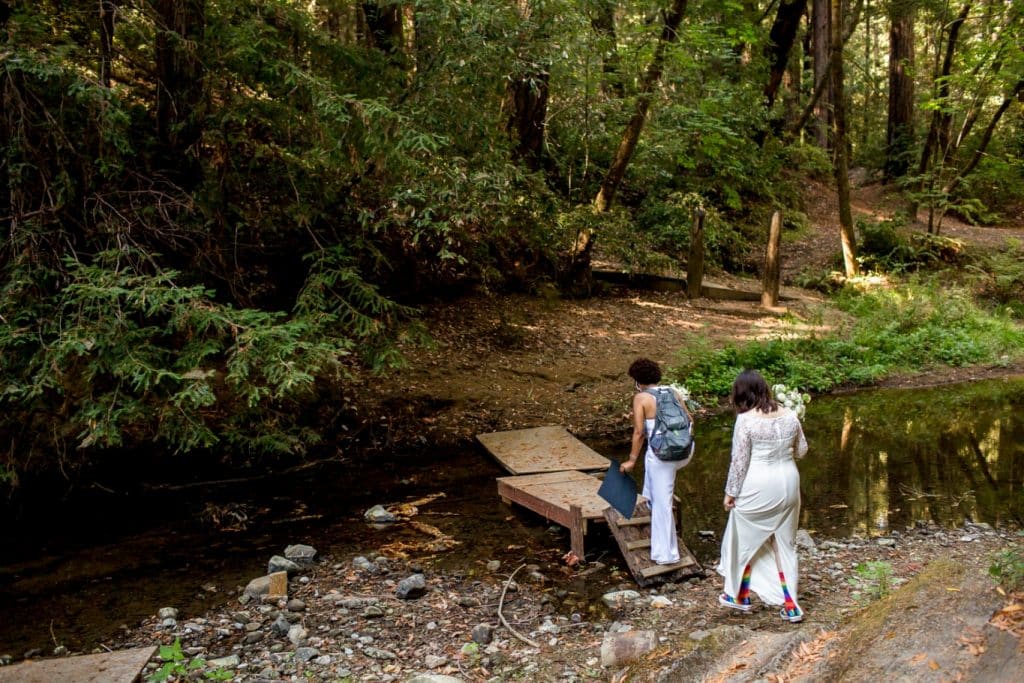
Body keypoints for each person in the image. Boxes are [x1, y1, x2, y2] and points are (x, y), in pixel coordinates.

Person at [717, 369, 808, 622]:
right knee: (784, 543)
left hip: (759, 485)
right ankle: (791, 605)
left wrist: (730, 493)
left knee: (740, 538)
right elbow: (802, 450)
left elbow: (739, 462)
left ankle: (739, 594)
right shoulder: (790, 415)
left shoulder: (746, 420)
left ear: (741, 394)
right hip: (789, 482)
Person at [620, 358, 693, 565]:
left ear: (638, 381)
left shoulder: (641, 398)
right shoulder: (673, 392)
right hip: (685, 451)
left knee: (663, 503)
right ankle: (648, 499)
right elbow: (690, 420)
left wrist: (631, 460)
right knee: (653, 471)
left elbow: (639, 433)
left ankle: (666, 555)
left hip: (663, 456)